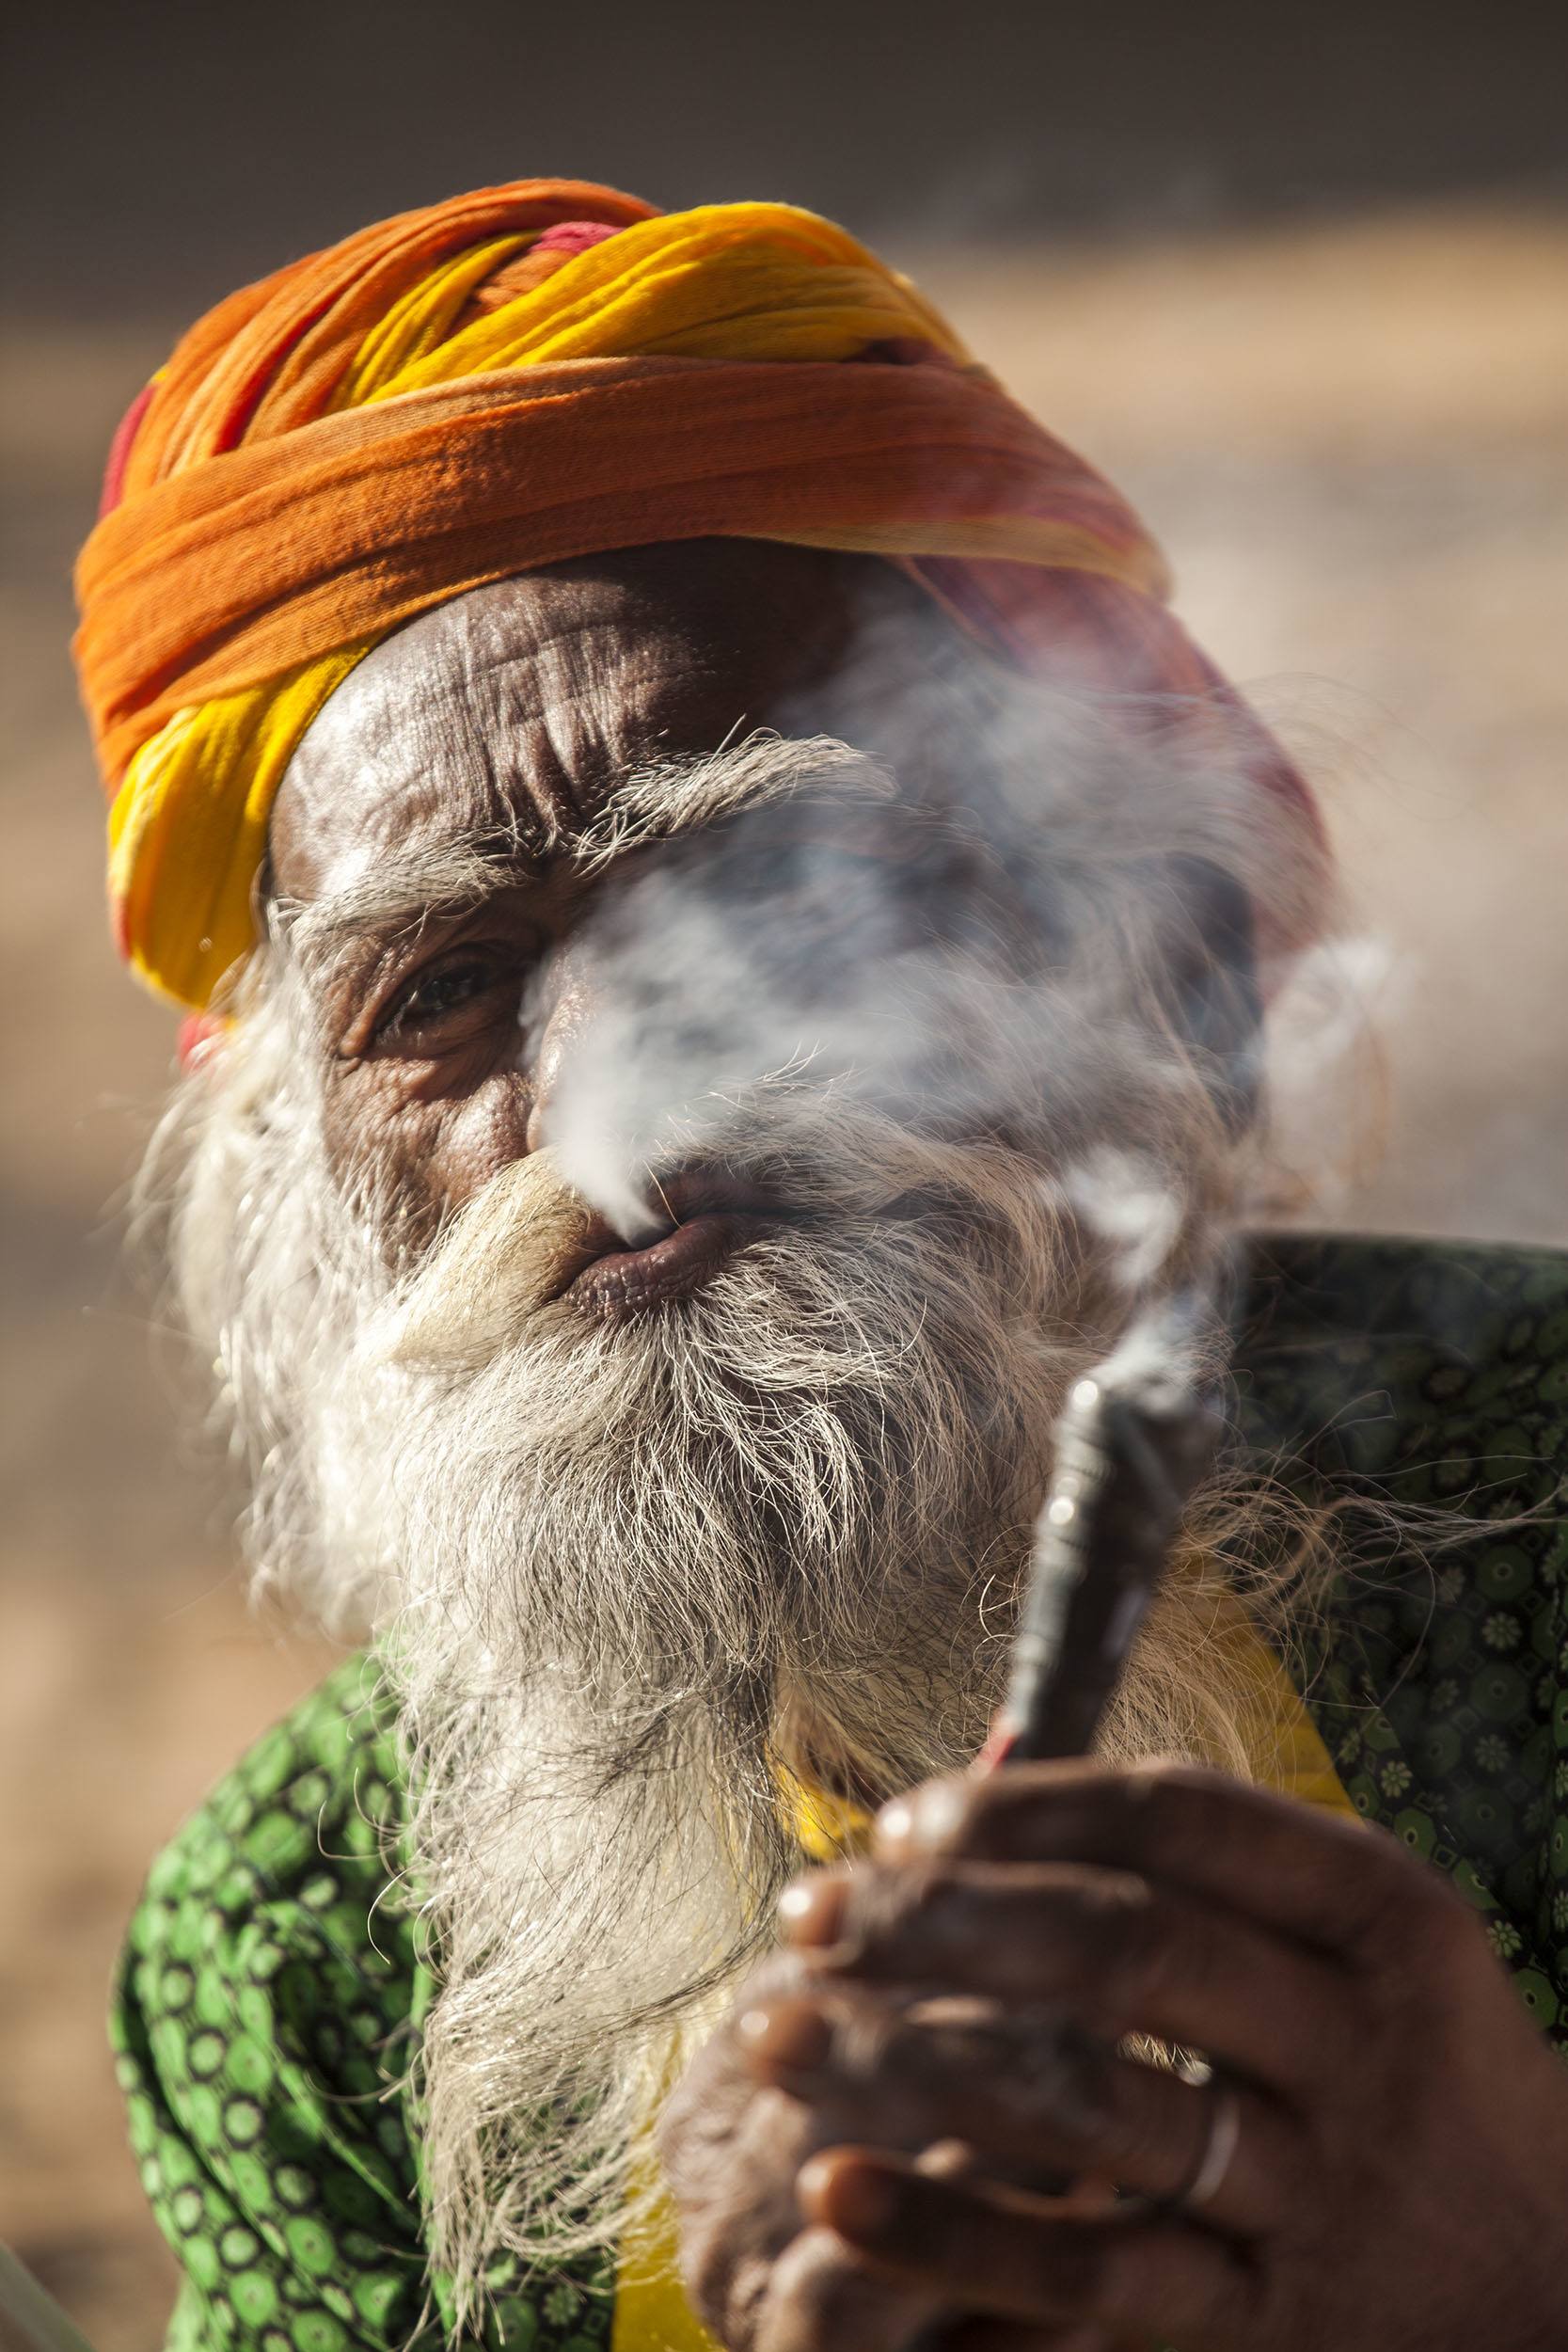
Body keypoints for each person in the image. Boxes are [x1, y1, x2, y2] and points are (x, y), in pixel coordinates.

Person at [73, 181, 1568, 2352]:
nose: (625, 1112)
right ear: (312, 1191)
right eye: (456, 981)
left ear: (1157, 945)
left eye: (763, 881)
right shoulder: (302, 1948)